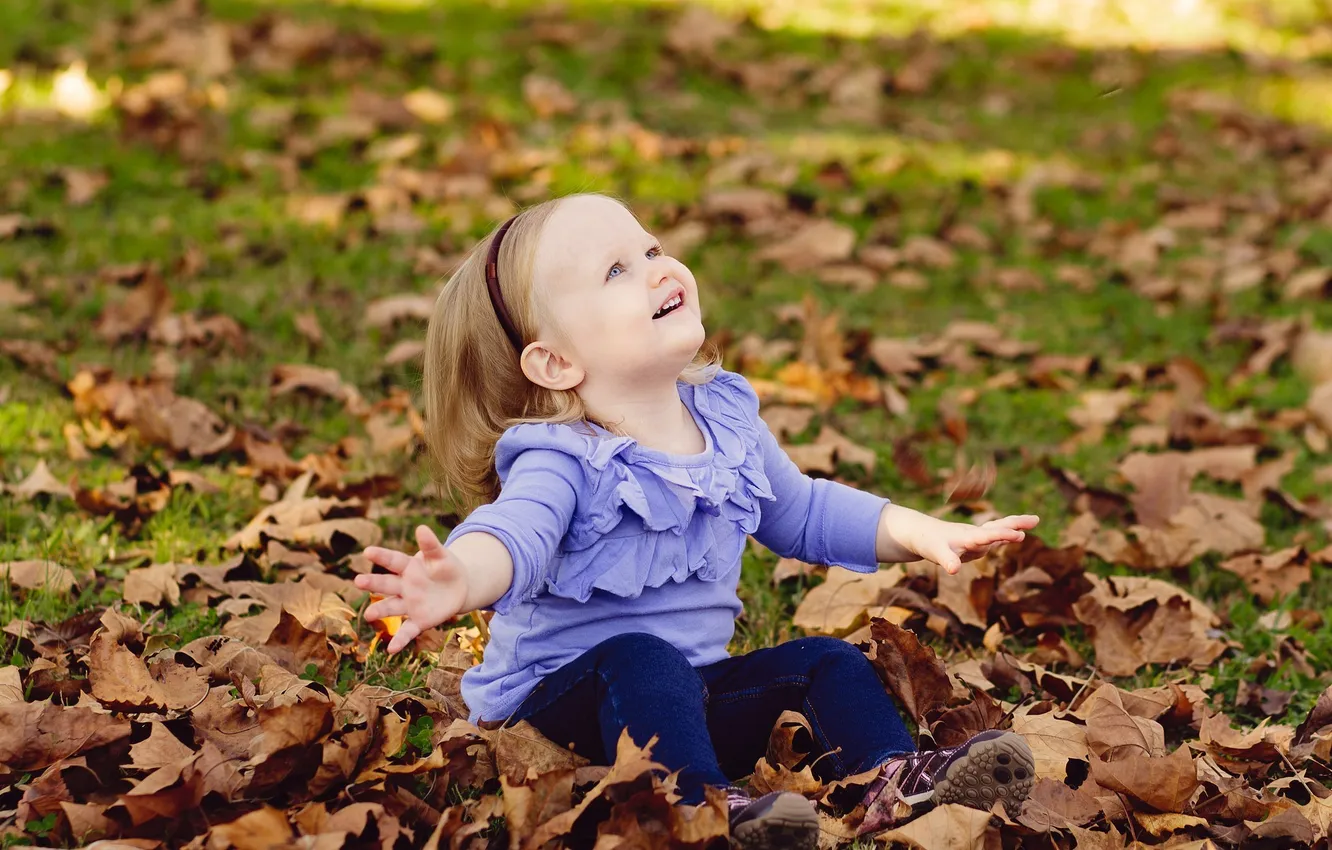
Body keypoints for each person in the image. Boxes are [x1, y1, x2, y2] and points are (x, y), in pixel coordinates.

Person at [354, 194, 1038, 849]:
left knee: (822, 661)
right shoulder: (564, 456)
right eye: (615, 271)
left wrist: (922, 533)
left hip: (689, 700)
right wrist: (460, 577)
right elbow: (516, 533)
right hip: (563, 716)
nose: (657, 268)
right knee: (641, 655)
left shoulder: (721, 419)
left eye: (650, 247)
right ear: (556, 362)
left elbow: (803, 512)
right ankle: (701, 813)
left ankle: (890, 779)